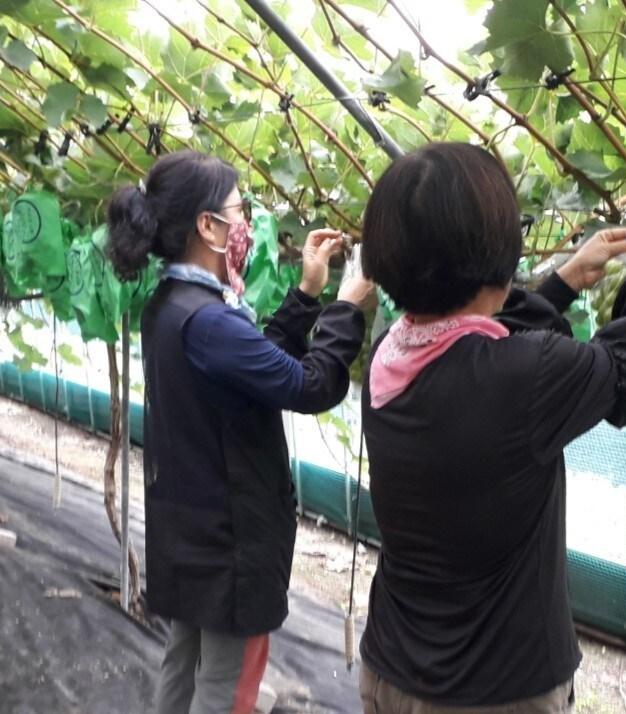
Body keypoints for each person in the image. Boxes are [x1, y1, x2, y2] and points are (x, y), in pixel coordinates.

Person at [356, 142, 626, 712]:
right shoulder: (525, 378)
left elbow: (474, 334)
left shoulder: (391, 352)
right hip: (495, 691)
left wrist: (564, 281)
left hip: (393, 668)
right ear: (500, 250)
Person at [107, 149, 374, 714]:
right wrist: (346, 307)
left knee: (181, 665)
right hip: (228, 547)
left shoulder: (173, 306)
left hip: (190, 534)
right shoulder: (208, 320)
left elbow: (255, 369)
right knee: (225, 689)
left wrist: (305, 295)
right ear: (208, 225)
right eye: (240, 210)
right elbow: (308, 386)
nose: (247, 225)